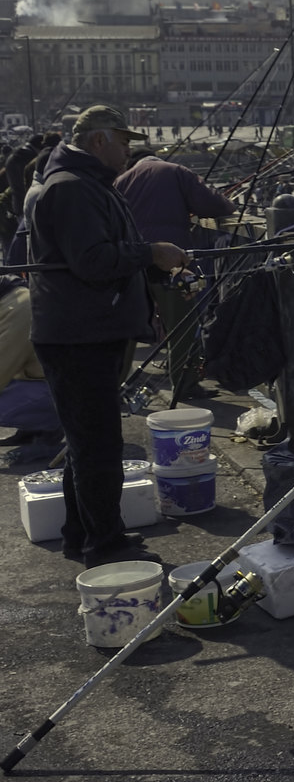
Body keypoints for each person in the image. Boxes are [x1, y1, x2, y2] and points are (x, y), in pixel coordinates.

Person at [28, 106, 189, 566]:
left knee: (86, 442)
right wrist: (150, 253)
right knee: (98, 446)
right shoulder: (73, 189)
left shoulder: (83, 184)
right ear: (99, 142)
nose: (128, 151)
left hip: (85, 331)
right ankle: (107, 545)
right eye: (122, 142)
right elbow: (93, 261)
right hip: (79, 337)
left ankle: (80, 534)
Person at [115, 150, 237, 400]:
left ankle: (114, 384)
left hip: (132, 261)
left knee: (128, 324)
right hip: (171, 262)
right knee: (183, 323)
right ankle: (185, 383)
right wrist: (228, 204)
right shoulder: (176, 171)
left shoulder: (121, 180)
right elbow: (214, 205)